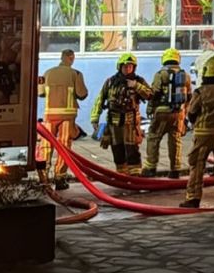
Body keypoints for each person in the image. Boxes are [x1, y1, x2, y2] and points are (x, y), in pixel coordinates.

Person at [180, 56, 214, 209]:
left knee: (197, 165)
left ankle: (193, 198)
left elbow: (192, 112)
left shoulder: (201, 91)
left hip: (203, 133)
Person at [90, 53, 153, 175]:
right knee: (117, 149)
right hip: (114, 123)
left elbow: (150, 95)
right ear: (119, 67)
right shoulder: (110, 82)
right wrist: (95, 117)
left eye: (130, 66)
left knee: (132, 149)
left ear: (134, 68)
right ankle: (121, 175)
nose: (128, 69)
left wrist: (136, 86)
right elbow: (100, 99)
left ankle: (135, 175)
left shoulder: (138, 81)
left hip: (131, 122)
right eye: (125, 66)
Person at [37, 49, 88, 190]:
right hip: (67, 116)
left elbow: (40, 93)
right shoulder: (75, 74)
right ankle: (60, 178)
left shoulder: (47, 73)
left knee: (46, 146)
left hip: (49, 115)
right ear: (71, 58)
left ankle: (43, 177)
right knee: (64, 147)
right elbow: (82, 94)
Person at [143, 48, 192, 178]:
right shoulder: (185, 76)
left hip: (162, 112)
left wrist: (149, 109)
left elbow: (154, 94)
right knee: (175, 140)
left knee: (153, 137)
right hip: (178, 113)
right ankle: (175, 169)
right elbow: (189, 97)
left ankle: (150, 168)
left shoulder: (160, 74)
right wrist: (184, 114)